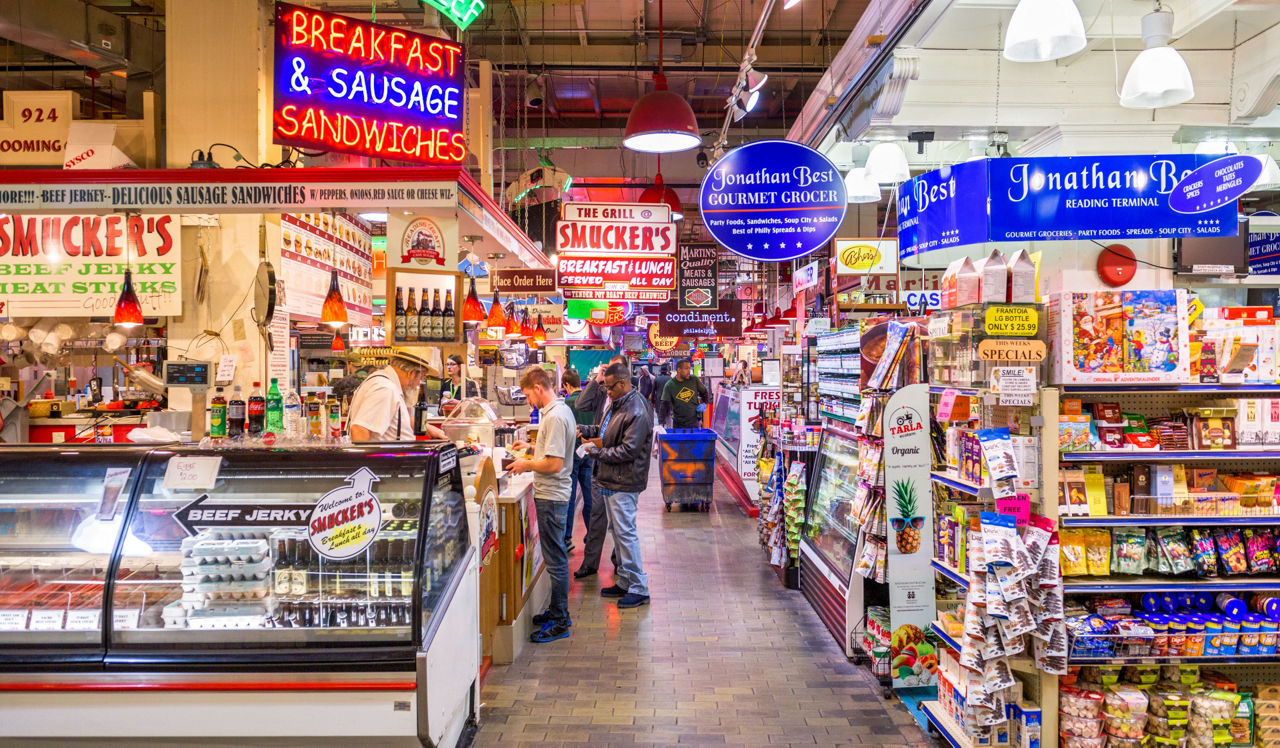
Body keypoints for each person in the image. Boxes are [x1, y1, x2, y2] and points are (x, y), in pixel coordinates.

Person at [508, 367, 577, 643]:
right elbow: (550, 452)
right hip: (552, 495)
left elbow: (555, 464)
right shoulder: (556, 413)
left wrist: (526, 464)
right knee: (555, 558)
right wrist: (529, 448)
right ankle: (557, 610)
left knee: (557, 561)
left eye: (527, 395)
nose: (528, 401)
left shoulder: (556, 416)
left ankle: (560, 621)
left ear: (538, 388)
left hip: (553, 496)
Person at [578, 362, 653, 609]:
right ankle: (625, 581)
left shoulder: (636, 409)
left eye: (610, 387)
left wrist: (595, 453)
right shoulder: (618, 404)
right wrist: (586, 431)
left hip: (624, 481)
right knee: (618, 534)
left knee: (626, 533)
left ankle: (639, 587)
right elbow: (606, 432)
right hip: (612, 479)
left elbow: (628, 450)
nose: (607, 392)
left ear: (622, 383)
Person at [575, 353, 628, 579]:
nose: (610, 380)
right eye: (609, 371)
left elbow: (630, 446)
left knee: (619, 522)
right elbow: (580, 403)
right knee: (597, 517)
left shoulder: (630, 402)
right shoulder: (601, 391)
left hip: (618, 470)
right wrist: (596, 379)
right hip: (599, 465)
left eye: (615, 373)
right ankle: (590, 563)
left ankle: (619, 563)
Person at [347, 349, 448, 441]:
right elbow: (359, 429)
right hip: (385, 460)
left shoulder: (387, 384)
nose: (418, 383)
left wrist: (427, 428)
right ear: (411, 373)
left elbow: (394, 418)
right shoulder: (384, 388)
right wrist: (366, 461)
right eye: (420, 377)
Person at [562, 369, 594, 552]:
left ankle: (567, 538)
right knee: (589, 496)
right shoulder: (589, 401)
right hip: (589, 452)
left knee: (570, 496)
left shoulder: (566, 403)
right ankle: (592, 534)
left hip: (572, 454)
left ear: (566, 385)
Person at [661, 358, 711, 430]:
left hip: (694, 422)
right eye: (686, 368)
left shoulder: (694, 379)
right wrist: (661, 423)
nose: (689, 371)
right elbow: (664, 405)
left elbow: (704, 392)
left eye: (689, 368)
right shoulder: (670, 385)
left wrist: (705, 403)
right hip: (678, 423)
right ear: (679, 370)